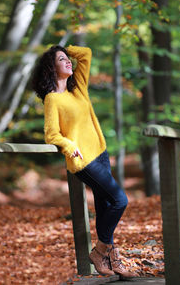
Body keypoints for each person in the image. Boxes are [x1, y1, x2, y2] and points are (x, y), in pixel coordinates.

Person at [32, 44, 135, 277]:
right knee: (120, 200)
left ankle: (108, 260)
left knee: (105, 206)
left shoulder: (78, 89)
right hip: (83, 160)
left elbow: (86, 53)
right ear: (51, 67)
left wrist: (64, 48)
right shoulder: (52, 99)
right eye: (61, 59)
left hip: (100, 152)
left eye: (68, 58)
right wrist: (69, 145)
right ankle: (102, 252)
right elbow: (51, 134)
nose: (68, 61)